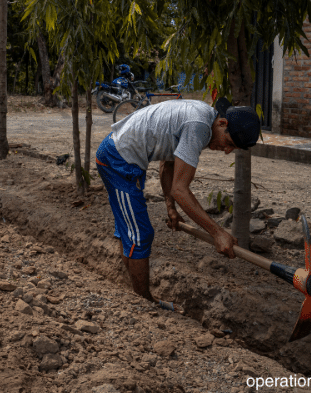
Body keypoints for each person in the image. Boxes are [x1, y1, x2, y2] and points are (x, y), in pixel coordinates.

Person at [95, 97, 261, 303]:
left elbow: (168, 163)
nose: (226, 151)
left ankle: (136, 296)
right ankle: (143, 302)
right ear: (222, 123)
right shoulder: (199, 127)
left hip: (122, 156)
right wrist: (218, 233)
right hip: (118, 160)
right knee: (140, 235)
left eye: (232, 149)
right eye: (228, 143)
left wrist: (170, 207)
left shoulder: (202, 115)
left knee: (132, 230)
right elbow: (181, 190)